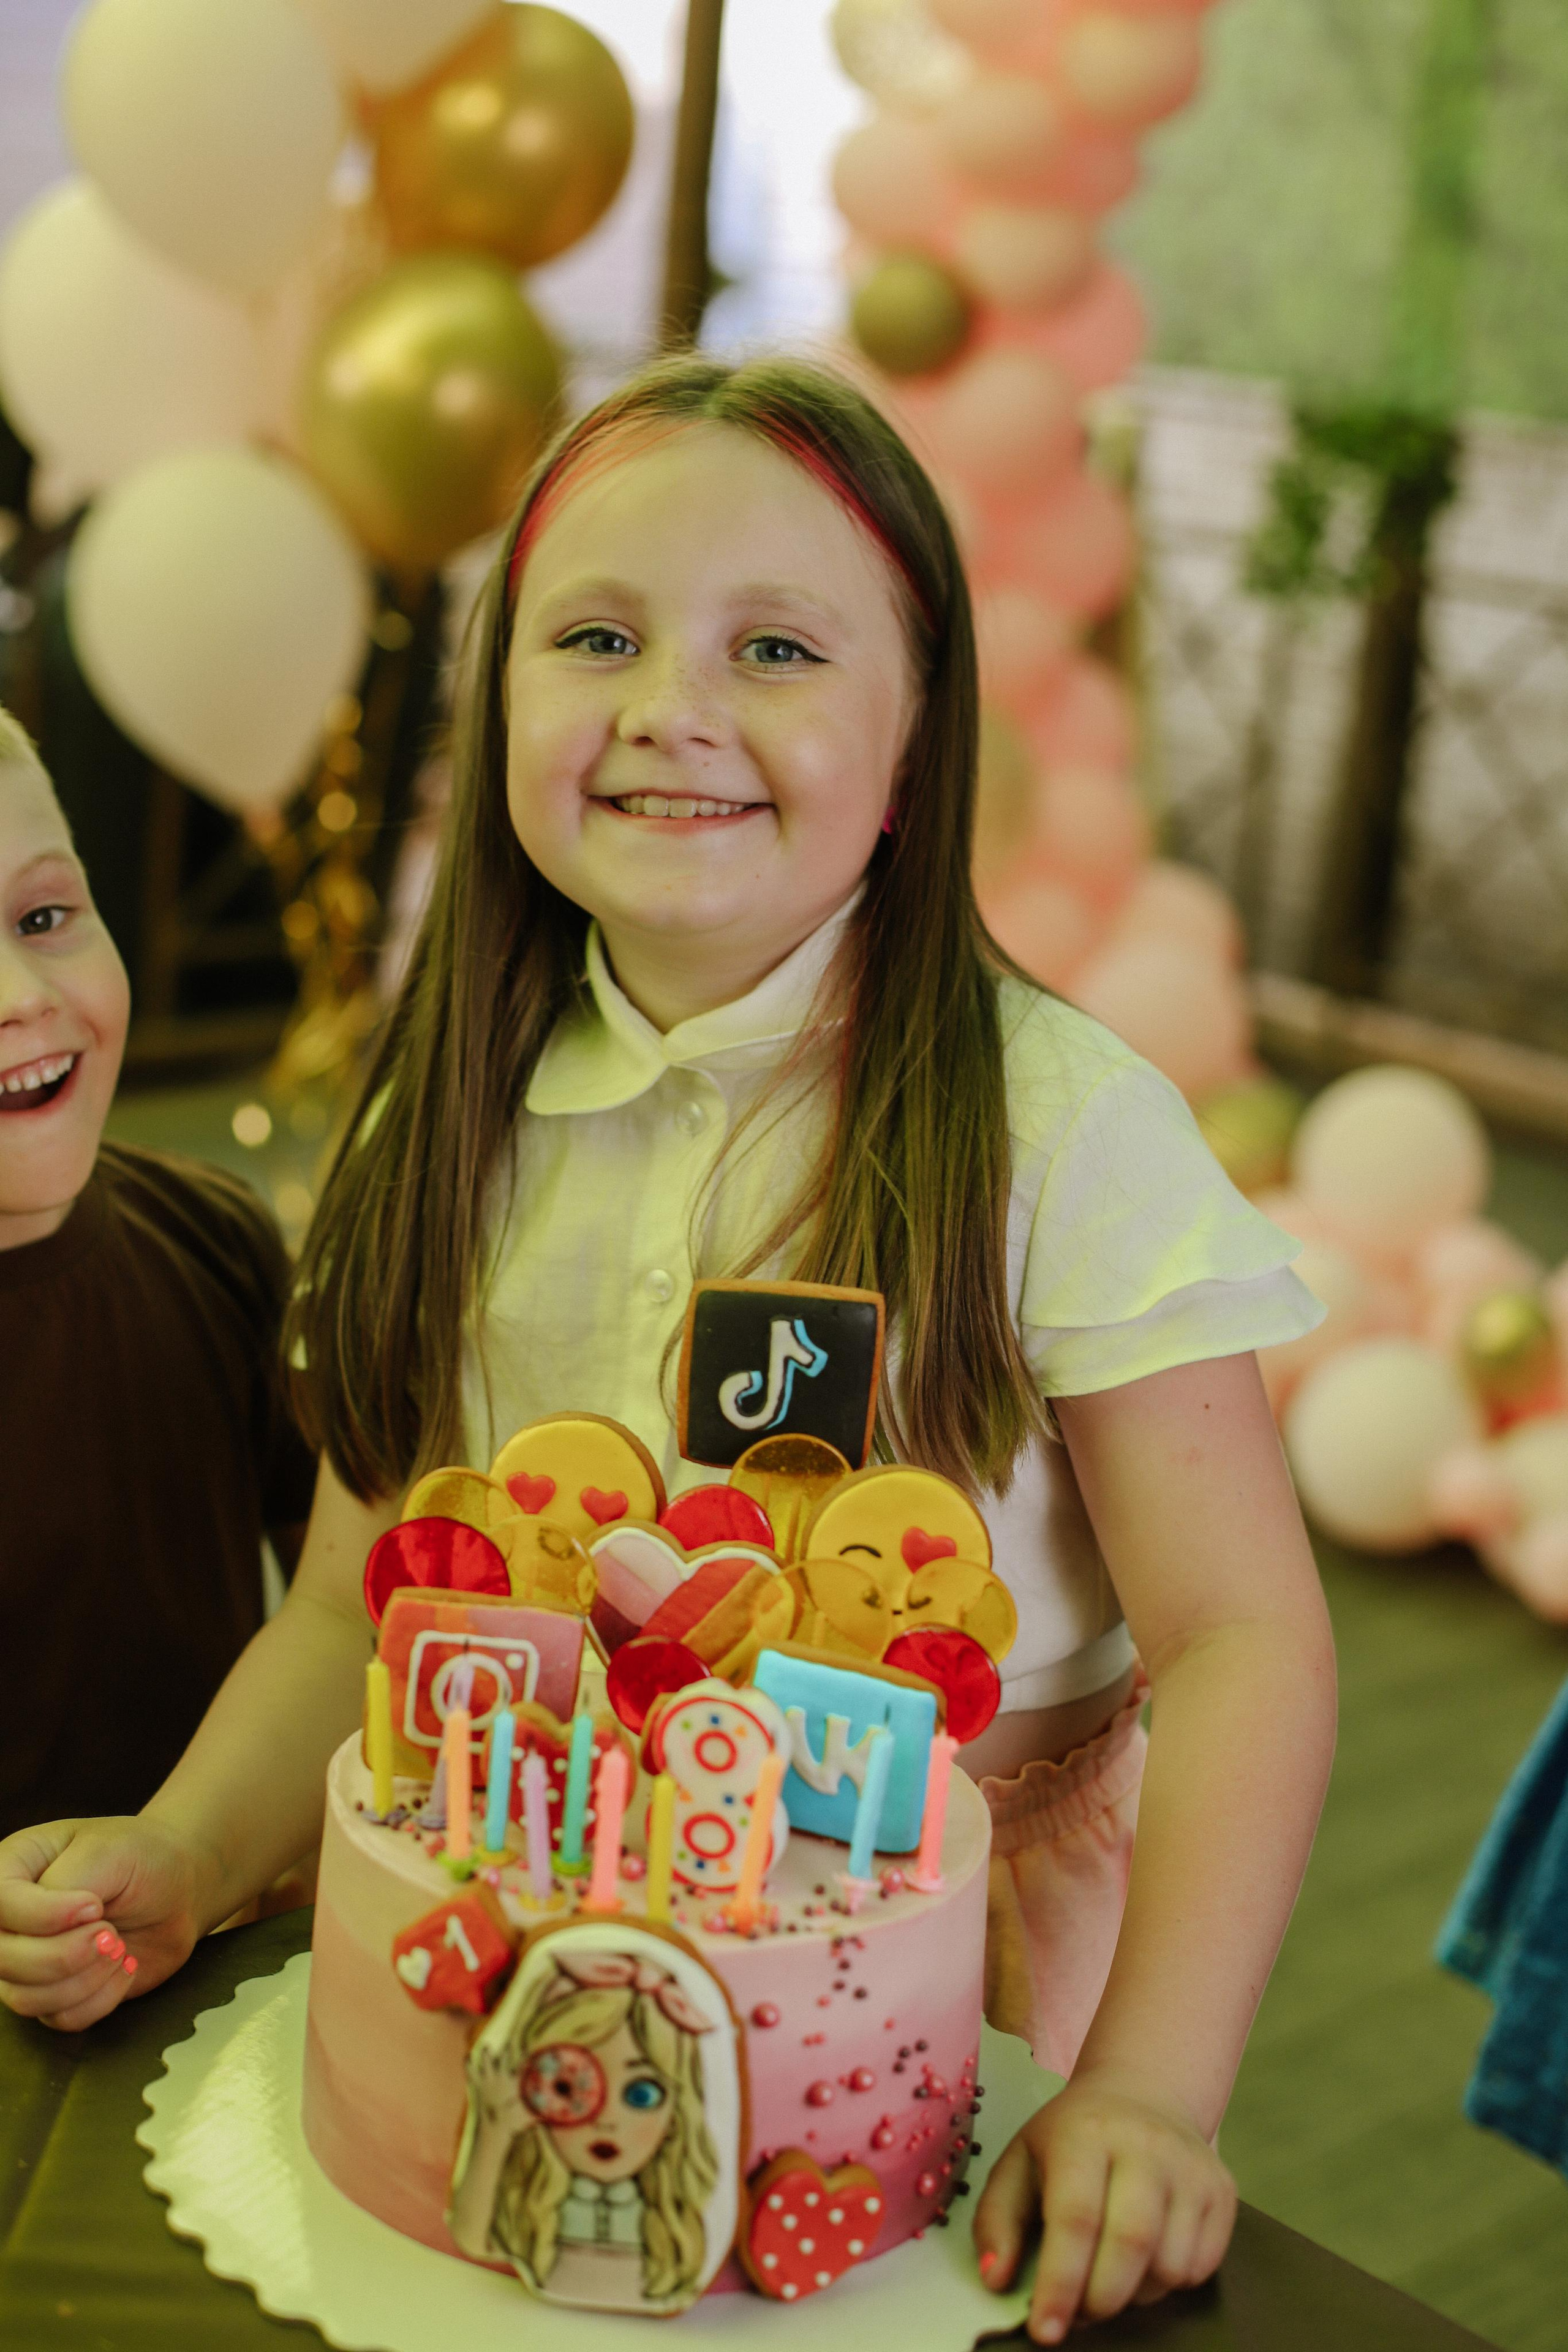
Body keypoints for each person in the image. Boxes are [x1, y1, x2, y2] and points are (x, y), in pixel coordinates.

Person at [0, 358, 1336, 2342]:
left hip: (914, 1961)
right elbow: (362, 1599)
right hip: (493, 1922)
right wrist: (193, 1850)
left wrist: (1148, 2093)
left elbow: (1240, 1641)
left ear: (919, 731)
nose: (668, 709)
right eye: (596, 636)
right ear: (500, 697)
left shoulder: (1061, 1129)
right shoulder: (438, 1109)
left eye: (776, 646)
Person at [0, 709, 315, 1853]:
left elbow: (338, 1620)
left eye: (44, 917)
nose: (22, 994)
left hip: (214, 1961)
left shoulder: (218, 1239)